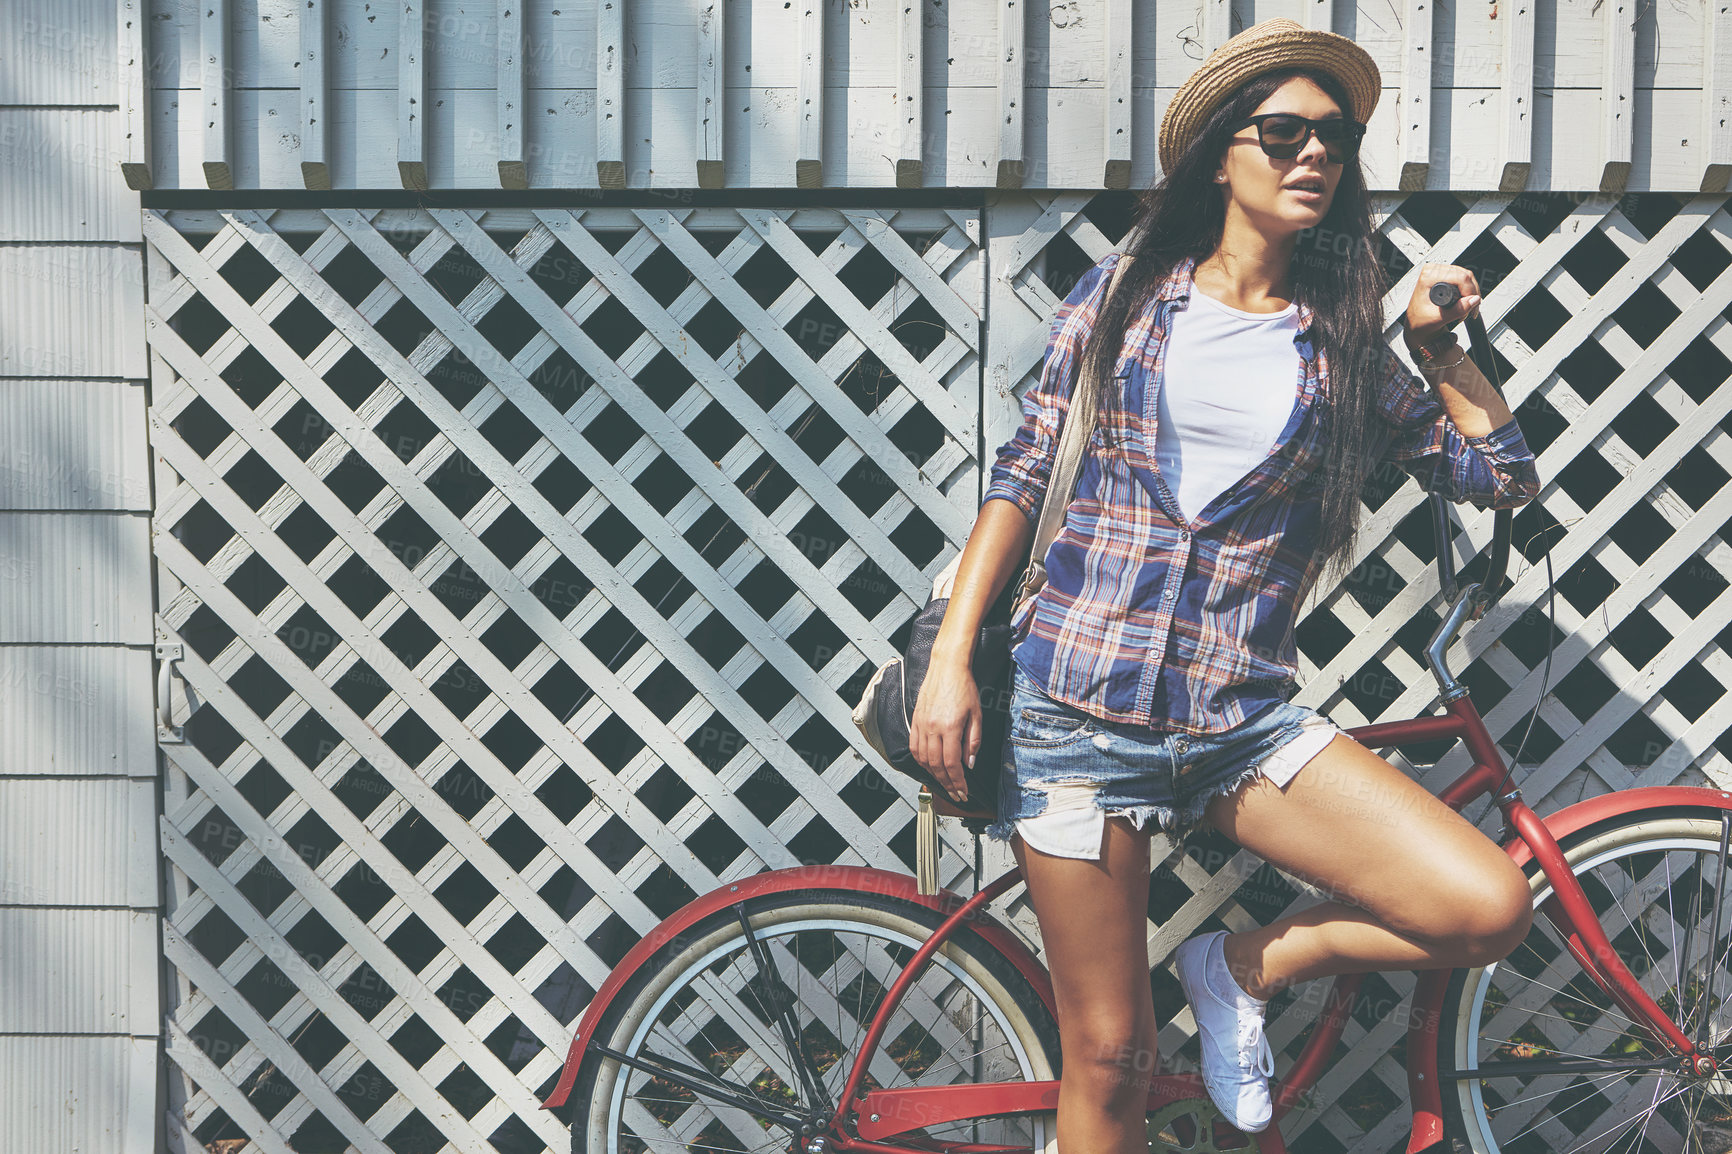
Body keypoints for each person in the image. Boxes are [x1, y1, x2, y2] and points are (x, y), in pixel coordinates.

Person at [907, 18, 1541, 1151]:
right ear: (1220, 155)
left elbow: (1498, 478)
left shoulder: (1343, 343)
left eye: (1334, 139)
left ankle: (1243, 961)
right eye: (1283, 132)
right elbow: (1022, 471)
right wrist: (953, 658)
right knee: (1109, 1059)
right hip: (1073, 718)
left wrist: (1438, 353)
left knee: (1483, 902)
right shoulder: (1128, 294)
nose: (1313, 156)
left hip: (1237, 723)